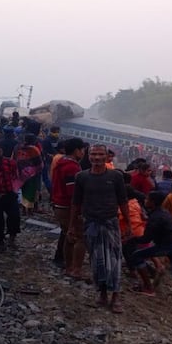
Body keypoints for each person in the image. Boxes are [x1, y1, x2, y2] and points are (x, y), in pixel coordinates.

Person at [70, 144, 131, 314]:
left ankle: (116, 297)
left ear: (106, 156)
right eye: (93, 154)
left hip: (111, 223)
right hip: (91, 223)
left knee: (115, 261)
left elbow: (123, 201)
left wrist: (129, 225)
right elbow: (76, 202)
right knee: (98, 262)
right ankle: (102, 295)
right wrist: (72, 226)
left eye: (100, 154)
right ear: (88, 157)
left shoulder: (116, 176)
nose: (97, 158)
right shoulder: (81, 177)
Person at [51, 138, 86, 272]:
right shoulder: (72, 167)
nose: (83, 153)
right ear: (77, 150)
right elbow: (73, 193)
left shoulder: (61, 162)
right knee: (79, 237)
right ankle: (74, 269)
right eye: (82, 150)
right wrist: (79, 210)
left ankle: (67, 265)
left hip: (59, 204)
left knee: (68, 234)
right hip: (67, 206)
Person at [16, 134, 44, 216]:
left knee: (23, 190)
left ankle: (24, 210)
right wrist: (38, 170)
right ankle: (30, 210)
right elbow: (39, 162)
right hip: (32, 174)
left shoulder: (18, 147)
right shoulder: (34, 149)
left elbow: (14, 158)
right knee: (31, 191)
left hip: (21, 172)